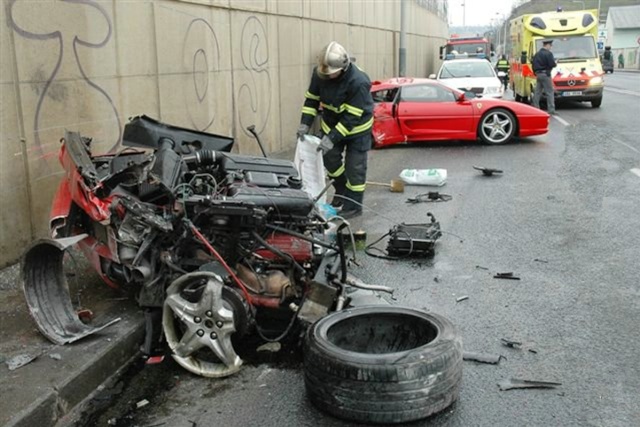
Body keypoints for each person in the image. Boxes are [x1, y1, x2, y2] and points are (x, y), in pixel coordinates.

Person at [296, 42, 374, 219]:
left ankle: (354, 205)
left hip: (356, 130)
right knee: (330, 161)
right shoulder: (320, 75)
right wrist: (305, 124)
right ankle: (341, 192)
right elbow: (311, 100)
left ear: (343, 68)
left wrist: (331, 138)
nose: (328, 77)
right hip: (331, 124)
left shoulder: (359, 82)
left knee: (355, 168)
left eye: (332, 73)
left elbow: (351, 118)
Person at [531, 39, 557, 114]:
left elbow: (533, 64)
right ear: (547, 45)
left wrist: (536, 73)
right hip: (546, 74)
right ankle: (551, 110)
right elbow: (552, 64)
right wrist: (555, 63)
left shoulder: (537, 54)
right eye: (550, 45)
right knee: (549, 92)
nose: (551, 47)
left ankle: (535, 108)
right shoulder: (548, 54)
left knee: (537, 92)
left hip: (538, 74)